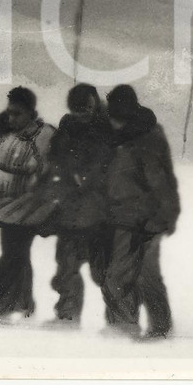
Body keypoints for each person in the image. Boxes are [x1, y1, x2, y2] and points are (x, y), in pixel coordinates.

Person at [101, 85, 180, 338]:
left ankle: (126, 329)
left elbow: (159, 180)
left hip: (141, 217)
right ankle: (153, 327)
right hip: (125, 214)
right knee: (139, 275)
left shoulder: (143, 137)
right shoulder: (124, 134)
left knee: (126, 276)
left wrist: (164, 215)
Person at [0, 87, 56, 320]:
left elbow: (53, 169)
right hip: (2, 204)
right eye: (10, 113)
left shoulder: (45, 136)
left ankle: (9, 304)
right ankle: (23, 303)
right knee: (16, 252)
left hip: (28, 205)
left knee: (14, 252)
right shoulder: (0, 133)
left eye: (17, 114)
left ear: (31, 112)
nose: (11, 118)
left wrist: (39, 193)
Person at [47, 83, 114, 323]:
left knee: (104, 271)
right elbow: (54, 157)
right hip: (71, 211)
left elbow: (113, 164)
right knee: (66, 266)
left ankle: (120, 319)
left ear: (94, 105)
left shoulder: (108, 127)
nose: (82, 114)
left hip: (101, 214)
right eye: (77, 110)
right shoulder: (67, 126)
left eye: (86, 109)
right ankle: (67, 313)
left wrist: (89, 178)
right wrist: (66, 173)